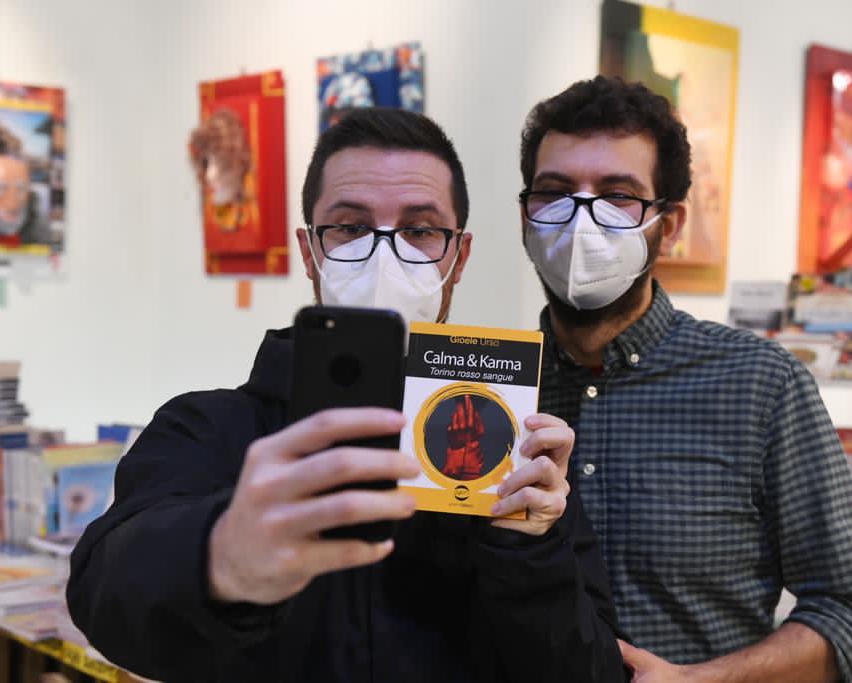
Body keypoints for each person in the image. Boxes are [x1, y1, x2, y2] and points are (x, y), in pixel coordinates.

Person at [67, 108, 626, 683]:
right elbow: (104, 597)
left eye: (419, 230)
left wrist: (528, 550)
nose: (385, 256)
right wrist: (222, 554)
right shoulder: (208, 428)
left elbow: (593, 671)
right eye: (351, 228)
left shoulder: (513, 448)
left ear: (458, 258)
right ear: (310, 252)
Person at [517, 76, 852, 683]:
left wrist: (701, 680)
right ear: (526, 215)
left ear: (669, 225)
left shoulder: (760, 385)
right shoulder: (493, 389)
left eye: (618, 195)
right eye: (555, 193)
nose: (581, 219)